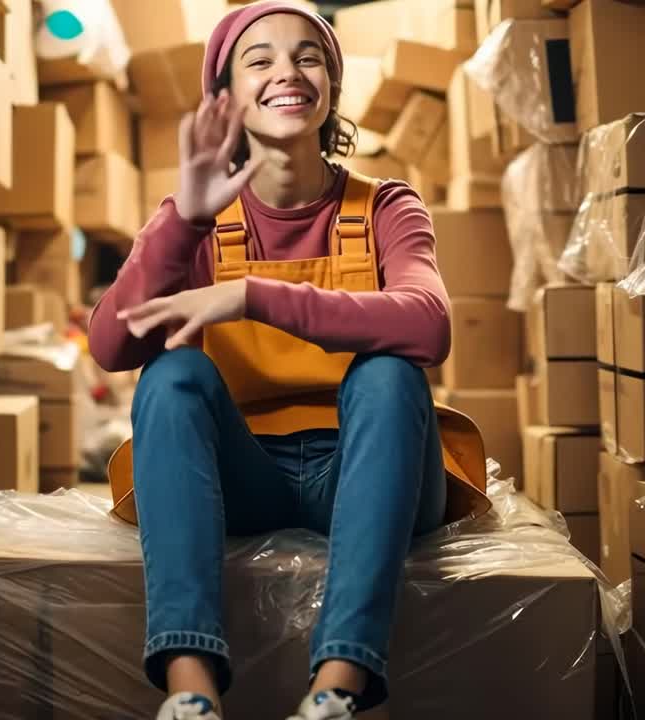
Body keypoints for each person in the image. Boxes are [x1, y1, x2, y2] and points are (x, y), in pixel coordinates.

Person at [87, 3, 488, 718]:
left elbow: (429, 328)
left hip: (368, 471)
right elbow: (112, 345)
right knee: (170, 375)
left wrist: (249, 297)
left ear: (330, 83)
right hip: (246, 479)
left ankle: (337, 689)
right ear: (226, 94)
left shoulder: (386, 206)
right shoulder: (197, 218)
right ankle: (191, 696)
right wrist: (183, 219)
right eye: (259, 58)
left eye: (308, 56)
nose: (287, 72)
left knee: (393, 371)